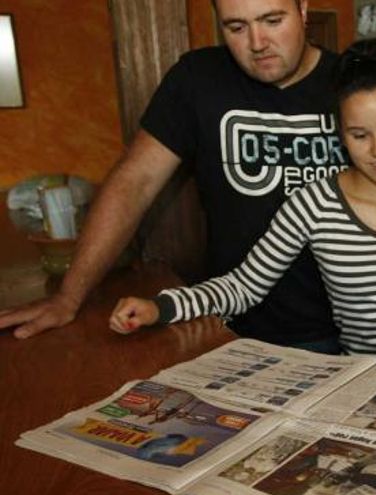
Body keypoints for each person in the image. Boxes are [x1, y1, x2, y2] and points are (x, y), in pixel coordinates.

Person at [0, 0, 344, 352]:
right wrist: (68, 297)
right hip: (227, 325)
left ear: (303, 9)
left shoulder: (353, 82)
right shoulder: (198, 79)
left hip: (347, 330)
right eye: (236, 28)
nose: (257, 43)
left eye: (272, 20)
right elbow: (135, 183)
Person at [110, 41, 376, 368]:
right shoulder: (313, 204)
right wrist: (161, 308)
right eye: (359, 135)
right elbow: (243, 286)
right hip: (357, 385)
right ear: (340, 133)